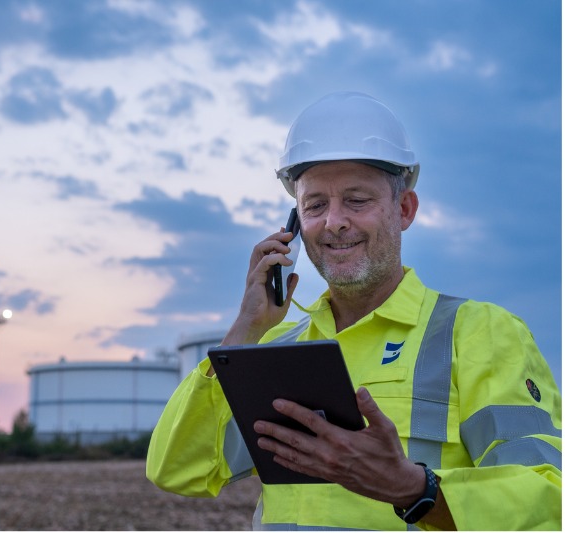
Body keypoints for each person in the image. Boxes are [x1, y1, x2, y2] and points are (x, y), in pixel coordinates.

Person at [145, 91, 562, 530]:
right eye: (315, 205)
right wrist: (244, 331)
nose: (334, 222)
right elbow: (176, 470)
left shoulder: (478, 333)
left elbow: (549, 500)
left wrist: (416, 489)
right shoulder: (273, 350)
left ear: (404, 210)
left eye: (357, 201)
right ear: (293, 226)